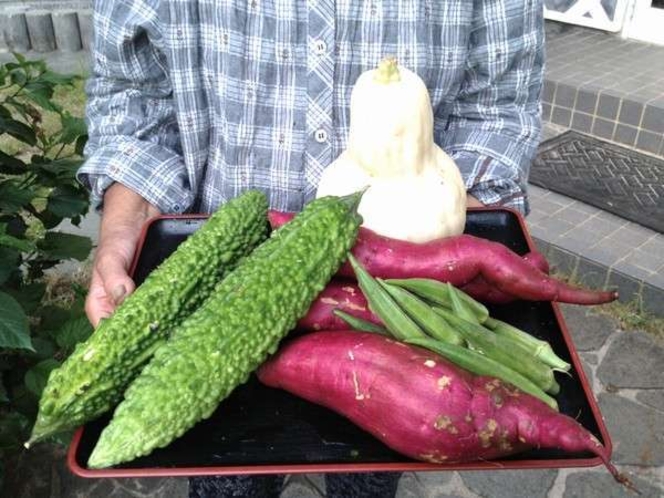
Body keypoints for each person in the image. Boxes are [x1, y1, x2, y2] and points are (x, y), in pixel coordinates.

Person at [78, 0, 545, 496]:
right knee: (227, 481)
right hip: (221, 297)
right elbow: (134, 99)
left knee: (367, 479)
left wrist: (444, 253)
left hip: (398, 306)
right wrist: (122, 230)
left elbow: (499, 111)